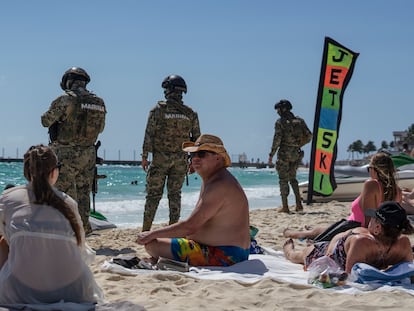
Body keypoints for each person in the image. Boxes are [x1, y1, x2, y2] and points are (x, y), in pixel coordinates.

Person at [0, 145, 103, 303]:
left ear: (26, 172)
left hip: (19, 291)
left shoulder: (8, 197)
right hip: (76, 291)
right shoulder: (69, 202)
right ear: (55, 172)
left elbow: (5, 236)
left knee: (4, 242)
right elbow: (81, 249)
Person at [136, 134, 250, 267]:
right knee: (161, 240)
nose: (195, 158)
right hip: (233, 251)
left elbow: (190, 226)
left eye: (201, 154)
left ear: (218, 157)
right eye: (192, 155)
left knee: (152, 245)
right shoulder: (215, 179)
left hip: (226, 255)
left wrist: (151, 234)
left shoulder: (219, 185)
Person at [41, 67, 106, 234]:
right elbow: (102, 128)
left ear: (68, 81)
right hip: (89, 154)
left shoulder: (65, 99)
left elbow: (45, 121)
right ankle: (84, 229)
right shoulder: (99, 102)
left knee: (61, 194)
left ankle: (64, 231)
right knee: (84, 193)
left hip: (66, 153)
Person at [284, 152, 402, 241]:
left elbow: (367, 220)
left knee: (316, 238)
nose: (369, 172)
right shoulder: (398, 192)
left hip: (354, 227)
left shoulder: (372, 184)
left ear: (375, 169)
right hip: (378, 231)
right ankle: (303, 231)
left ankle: (290, 233)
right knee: (320, 230)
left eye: (369, 169)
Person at [283, 201, 414, 274]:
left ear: (378, 228)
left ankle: (302, 237)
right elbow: (349, 274)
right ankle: (288, 249)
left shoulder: (402, 243)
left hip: (346, 242)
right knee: (297, 256)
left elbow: (408, 272)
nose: (369, 220)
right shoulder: (361, 242)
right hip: (325, 251)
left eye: (373, 219)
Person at [141, 74, 200, 231]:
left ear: (167, 90)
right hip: (180, 161)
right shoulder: (190, 113)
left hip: (160, 159)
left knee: (153, 196)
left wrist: (145, 156)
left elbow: (149, 134)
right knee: (175, 195)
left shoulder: (158, 110)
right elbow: (196, 139)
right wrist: (194, 160)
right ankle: (173, 229)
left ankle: (146, 229)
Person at [268, 99, 312, 213]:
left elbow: (276, 140)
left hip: (284, 154)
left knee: (283, 180)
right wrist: (298, 144)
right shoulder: (300, 121)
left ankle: (285, 207)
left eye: (278, 109)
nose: (277, 112)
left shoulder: (280, 122)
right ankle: (298, 205)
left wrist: (271, 154)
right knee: (293, 178)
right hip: (296, 153)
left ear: (283, 109)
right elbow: (309, 136)